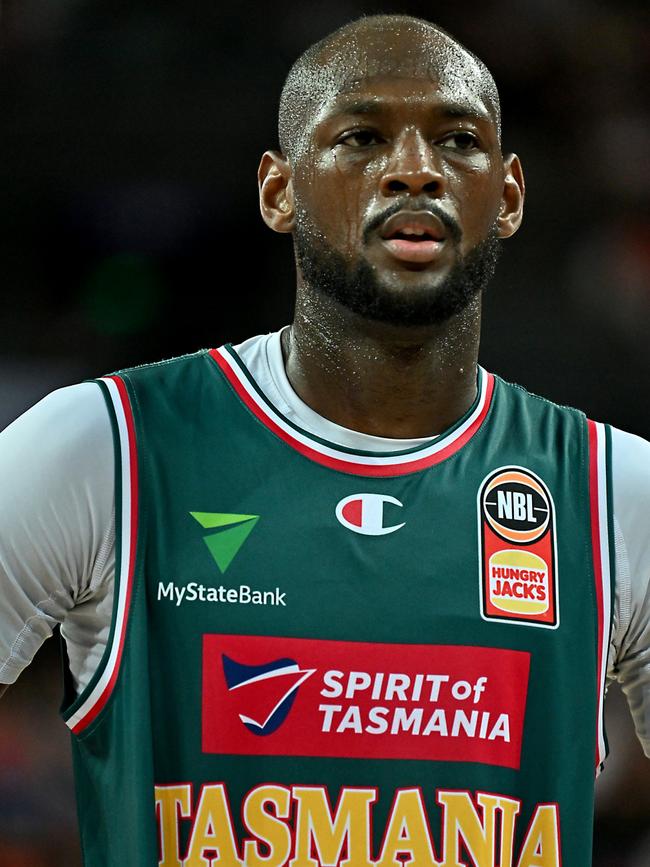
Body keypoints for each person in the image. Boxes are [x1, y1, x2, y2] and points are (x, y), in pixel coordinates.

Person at [1, 13, 648, 866]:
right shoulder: (105, 446)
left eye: (458, 139)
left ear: (511, 196)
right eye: (362, 136)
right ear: (280, 191)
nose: (415, 169)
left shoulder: (614, 489)